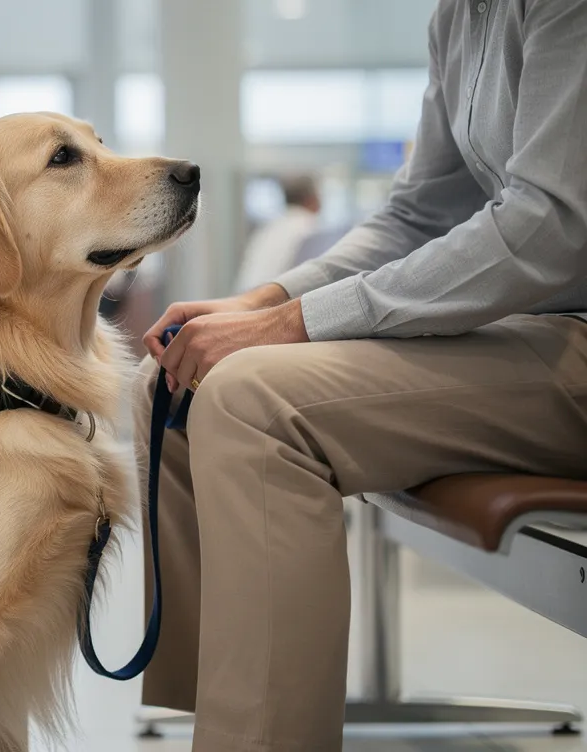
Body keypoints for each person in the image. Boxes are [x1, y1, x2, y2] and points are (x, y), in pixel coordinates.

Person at [138, 1, 587, 750]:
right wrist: (264, 299)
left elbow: (547, 228)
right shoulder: (459, 15)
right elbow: (417, 216)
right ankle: (224, 717)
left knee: (251, 401)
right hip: (532, 335)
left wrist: (289, 325)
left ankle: (258, 733)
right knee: (177, 378)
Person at [231, 175, 320, 293]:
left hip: (243, 298)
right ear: (311, 199)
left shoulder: (270, 226)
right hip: (272, 301)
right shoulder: (310, 227)